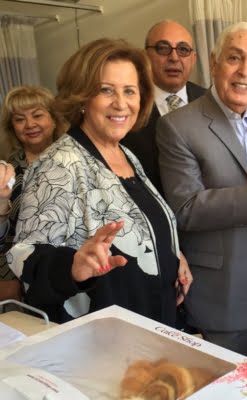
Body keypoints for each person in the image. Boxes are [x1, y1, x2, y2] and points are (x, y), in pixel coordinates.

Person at [7, 38, 192, 325]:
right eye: (106, 90)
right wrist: (72, 266)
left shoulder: (126, 154)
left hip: (152, 321)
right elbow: (24, 255)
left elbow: (140, 220)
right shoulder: (58, 165)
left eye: (129, 91)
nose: (121, 103)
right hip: (101, 336)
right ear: (82, 97)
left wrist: (172, 253)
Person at [156, 22, 247, 358]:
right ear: (214, 62)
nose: (245, 71)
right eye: (234, 58)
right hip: (222, 292)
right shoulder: (177, 126)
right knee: (227, 381)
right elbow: (184, 208)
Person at [121, 20, 206, 196]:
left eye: (183, 49)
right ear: (146, 56)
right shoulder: (126, 105)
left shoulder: (209, 100)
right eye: (163, 48)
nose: (174, 57)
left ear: (193, 59)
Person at [0, 86, 66, 302]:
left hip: (71, 268)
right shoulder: (7, 170)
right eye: (20, 119)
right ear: (12, 127)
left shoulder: (73, 161)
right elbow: (3, 234)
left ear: (54, 119)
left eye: (37, 115)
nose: (29, 124)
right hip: (19, 274)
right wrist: (5, 276)